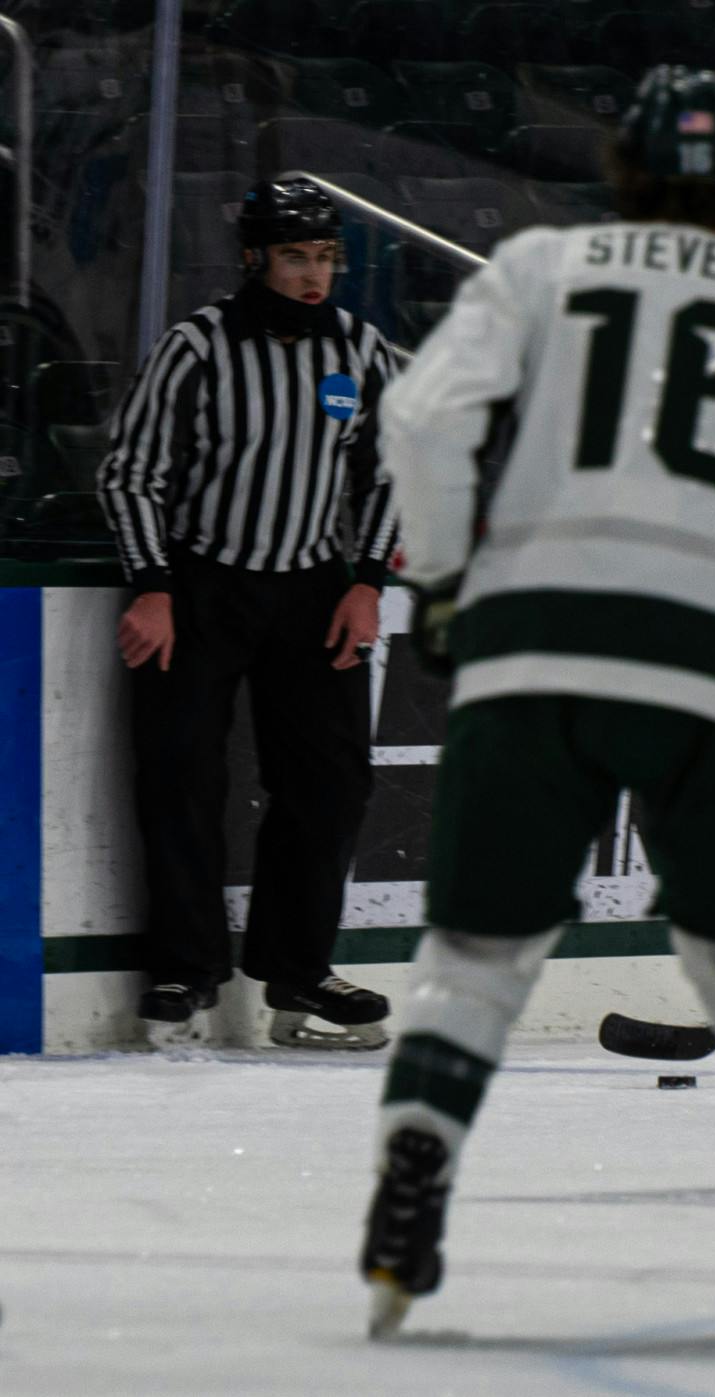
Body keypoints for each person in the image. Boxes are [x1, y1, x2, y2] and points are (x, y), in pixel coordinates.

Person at [358, 66, 715, 1339]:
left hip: (542, 639)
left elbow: (424, 420)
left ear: (628, 163)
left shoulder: (543, 266)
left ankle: (406, 1206)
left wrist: (445, 578)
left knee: (478, 957)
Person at [97, 177, 399, 1051]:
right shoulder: (197, 347)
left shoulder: (359, 350)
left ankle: (298, 971)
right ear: (256, 258)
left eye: (327, 258)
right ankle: (187, 970)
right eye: (297, 257)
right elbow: (131, 472)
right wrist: (152, 585)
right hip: (200, 582)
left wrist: (367, 581)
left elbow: (393, 473)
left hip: (314, 587)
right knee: (182, 775)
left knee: (332, 780)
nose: (315, 275)